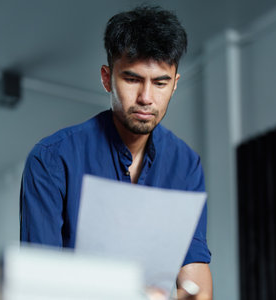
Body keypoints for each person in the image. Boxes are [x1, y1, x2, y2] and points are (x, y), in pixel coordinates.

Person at [20, 6, 212, 299]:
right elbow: (39, 287)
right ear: (107, 78)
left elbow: (194, 272)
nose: (146, 98)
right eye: (132, 79)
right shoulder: (51, 160)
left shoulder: (185, 166)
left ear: (174, 84)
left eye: (160, 82)